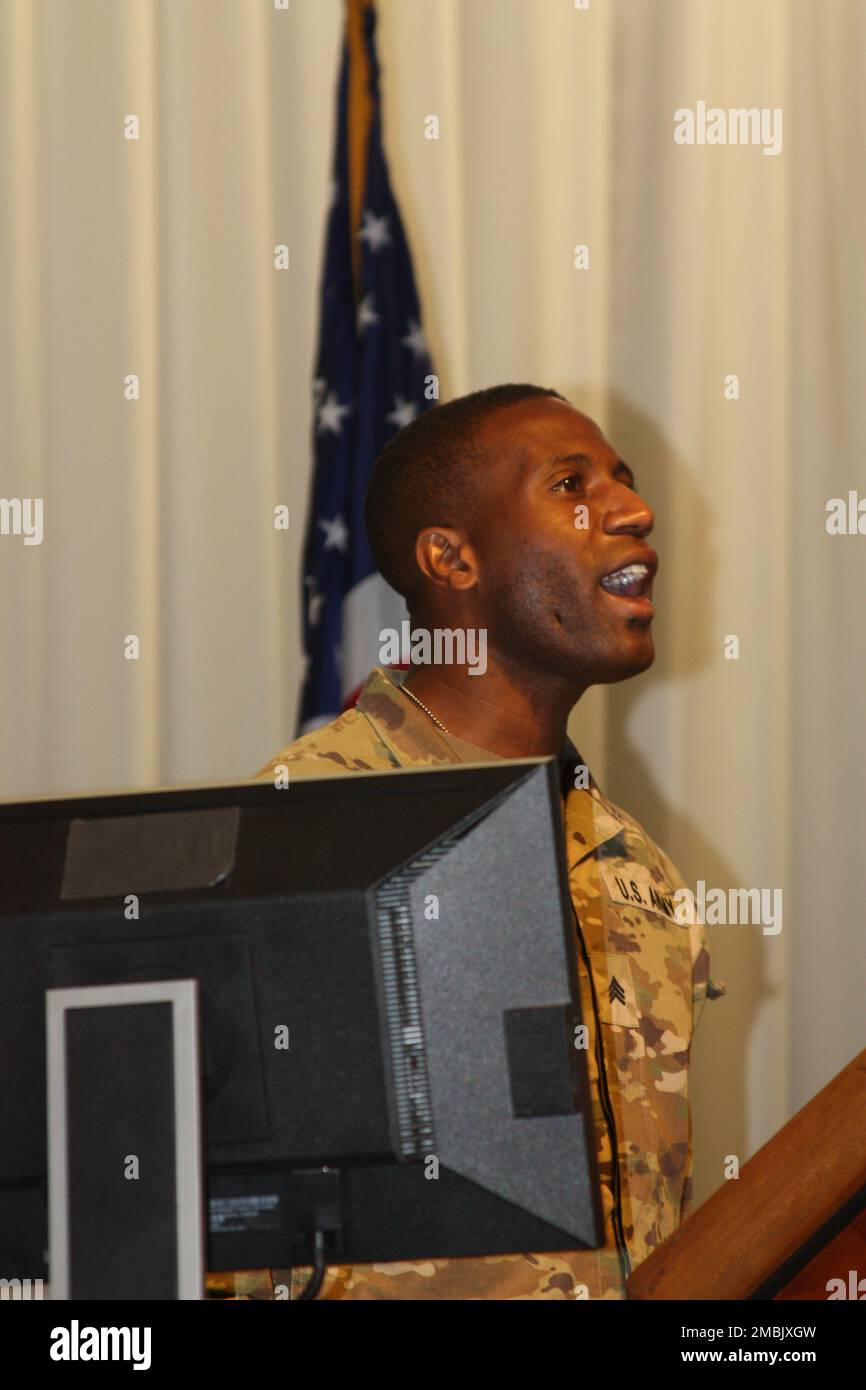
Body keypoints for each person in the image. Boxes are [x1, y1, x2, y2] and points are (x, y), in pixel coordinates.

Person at [221, 383, 725, 1300]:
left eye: (624, 479)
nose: (636, 511)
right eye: (571, 483)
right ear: (451, 558)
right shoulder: (305, 833)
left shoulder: (634, 863)